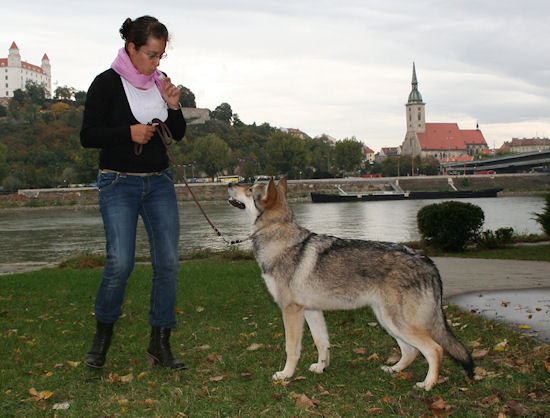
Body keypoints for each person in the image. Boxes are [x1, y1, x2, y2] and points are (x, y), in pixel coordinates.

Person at [80, 15, 186, 370]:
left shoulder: (160, 84)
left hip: (159, 183)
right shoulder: (106, 84)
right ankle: (101, 339)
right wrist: (128, 133)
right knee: (120, 263)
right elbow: (88, 135)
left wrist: (173, 107)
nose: (157, 63)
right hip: (117, 182)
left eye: (161, 56)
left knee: (168, 264)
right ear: (131, 48)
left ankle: (160, 344)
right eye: (152, 55)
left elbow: (178, 132)